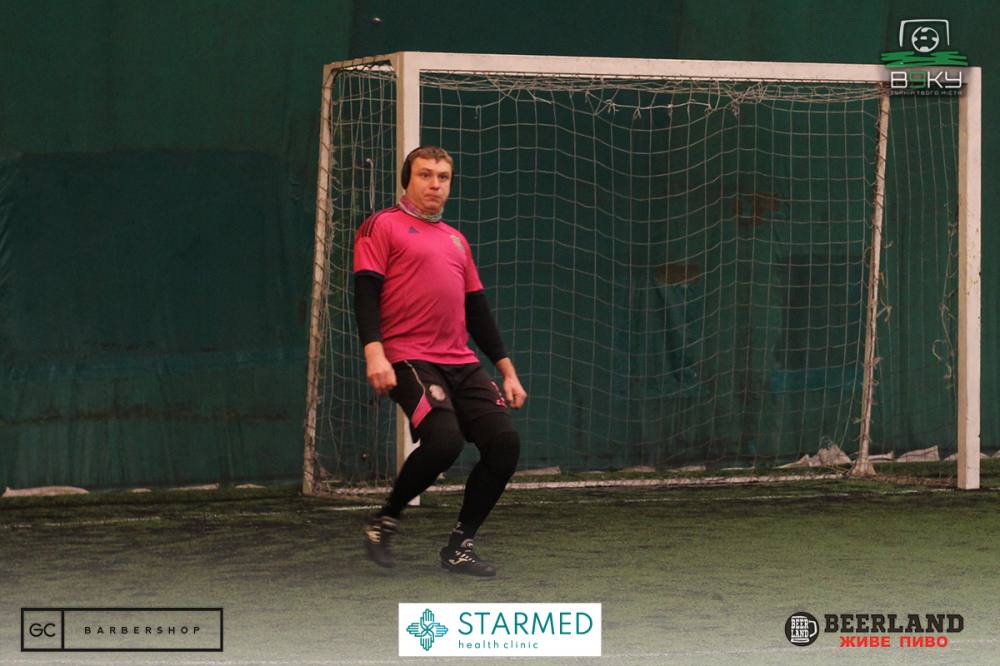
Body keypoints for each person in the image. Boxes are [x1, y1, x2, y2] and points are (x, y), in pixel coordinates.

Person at [354, 145, 527, 577]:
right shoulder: (382, 225)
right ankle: (384, 521)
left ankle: (460, 546)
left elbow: (477, 310)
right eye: (425, 175)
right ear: (407, 179)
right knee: (445, 441)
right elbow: (366, 292)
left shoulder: (456, 240)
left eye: (443, 177)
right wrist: (374, 351)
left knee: (504, 443)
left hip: (460, 361)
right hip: (408, 356)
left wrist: (506, 370)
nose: (435, 184)